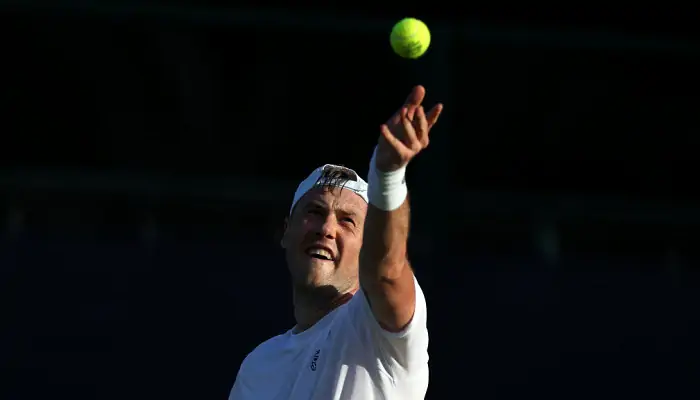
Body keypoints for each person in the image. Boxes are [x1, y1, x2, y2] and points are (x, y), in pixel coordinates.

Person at [228, 85, 443, 399]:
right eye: (315, 212)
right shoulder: (258, 367)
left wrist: (387, 176)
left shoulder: (375, 330)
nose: (327, 228)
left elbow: (386, 270)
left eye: (347, 221)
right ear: (286, 231)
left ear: (367, 246)